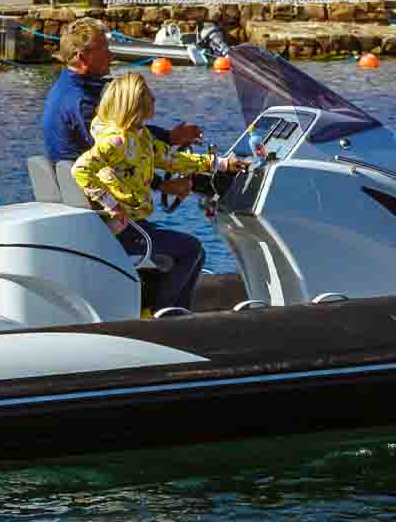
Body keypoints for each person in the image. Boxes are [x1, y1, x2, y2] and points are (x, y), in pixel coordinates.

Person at [71, 73, 244, 312]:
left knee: (196, 252)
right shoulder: (117, 141)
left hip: (136, 225)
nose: (154, 99)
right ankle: (158, 314)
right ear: (136, 104)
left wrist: (221, 164)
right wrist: (111, 204)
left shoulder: (139, 136)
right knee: (191, 250)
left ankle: (176, 314)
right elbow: (80, 169)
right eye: (149, 96)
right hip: (126, 231)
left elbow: (171, 159)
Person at [40, 17, 201, 165]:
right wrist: (163, 184)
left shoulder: (66, 86)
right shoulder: (83, 103)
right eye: (104, 50)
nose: (111, 55)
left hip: (75, 184)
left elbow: (126, 135)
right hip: (91, 190)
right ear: (82, 58)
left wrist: (168, 137)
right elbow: (121, 153)